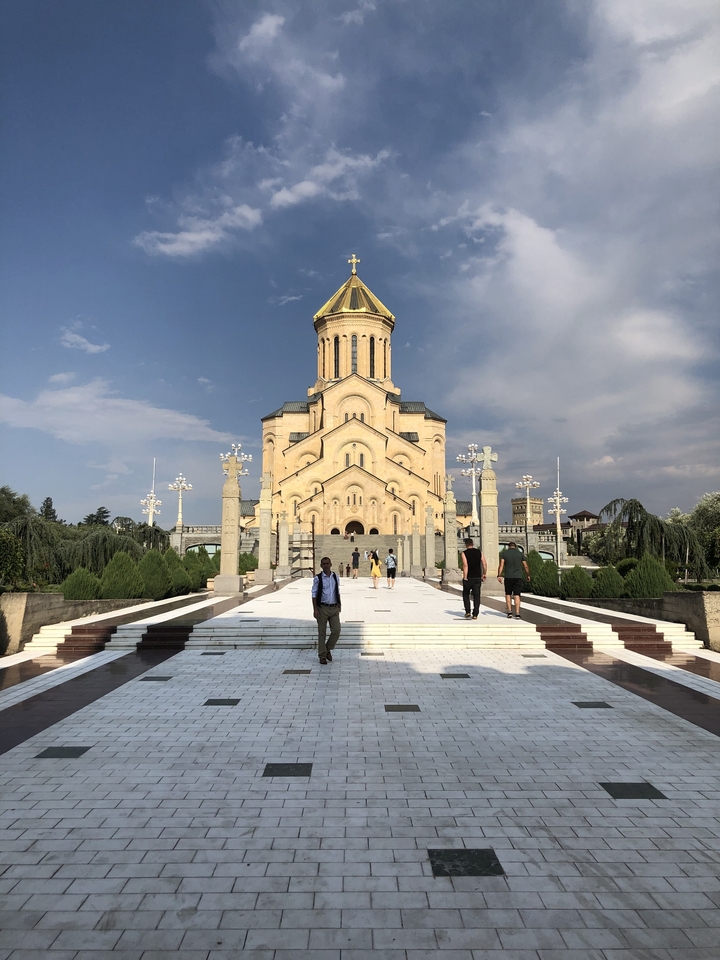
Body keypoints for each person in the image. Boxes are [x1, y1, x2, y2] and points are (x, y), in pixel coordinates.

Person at [312, 557, 341, 664]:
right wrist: (315, 609)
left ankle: (327, 648)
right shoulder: (318, 578)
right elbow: (314, 594)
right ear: (321, 565)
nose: (326, 565)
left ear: (331, 564)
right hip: (322, 608)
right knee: (322, 633)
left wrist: (339, 605)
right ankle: (322, 656)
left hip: (334, 608)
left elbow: (337, 591)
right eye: (323, 564)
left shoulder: (335, 577)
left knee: (336, 631)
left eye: (327, 563)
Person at [497, 541, 530, 619]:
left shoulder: (504, 553)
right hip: (518, 577)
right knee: (517, 595)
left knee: (508, 594)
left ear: (508, 546)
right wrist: (528, 575)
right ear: (515, 547)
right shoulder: (520, 554)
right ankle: (517, 613)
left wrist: (499, 575)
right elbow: (525, 565)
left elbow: (501, 564)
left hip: (508, 576)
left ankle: (509, 612)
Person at [461, 537, 487, 620]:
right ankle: (475, 614)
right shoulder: (479, 552)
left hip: (469, 577)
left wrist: (465, 577)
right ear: (473, 544)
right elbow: (484, 563)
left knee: (466, 594)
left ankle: (468, 611)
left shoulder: (464, 553)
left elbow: (465, 565)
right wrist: (484, 573)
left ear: (466, 545)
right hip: (477, 577)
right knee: (476, 596)